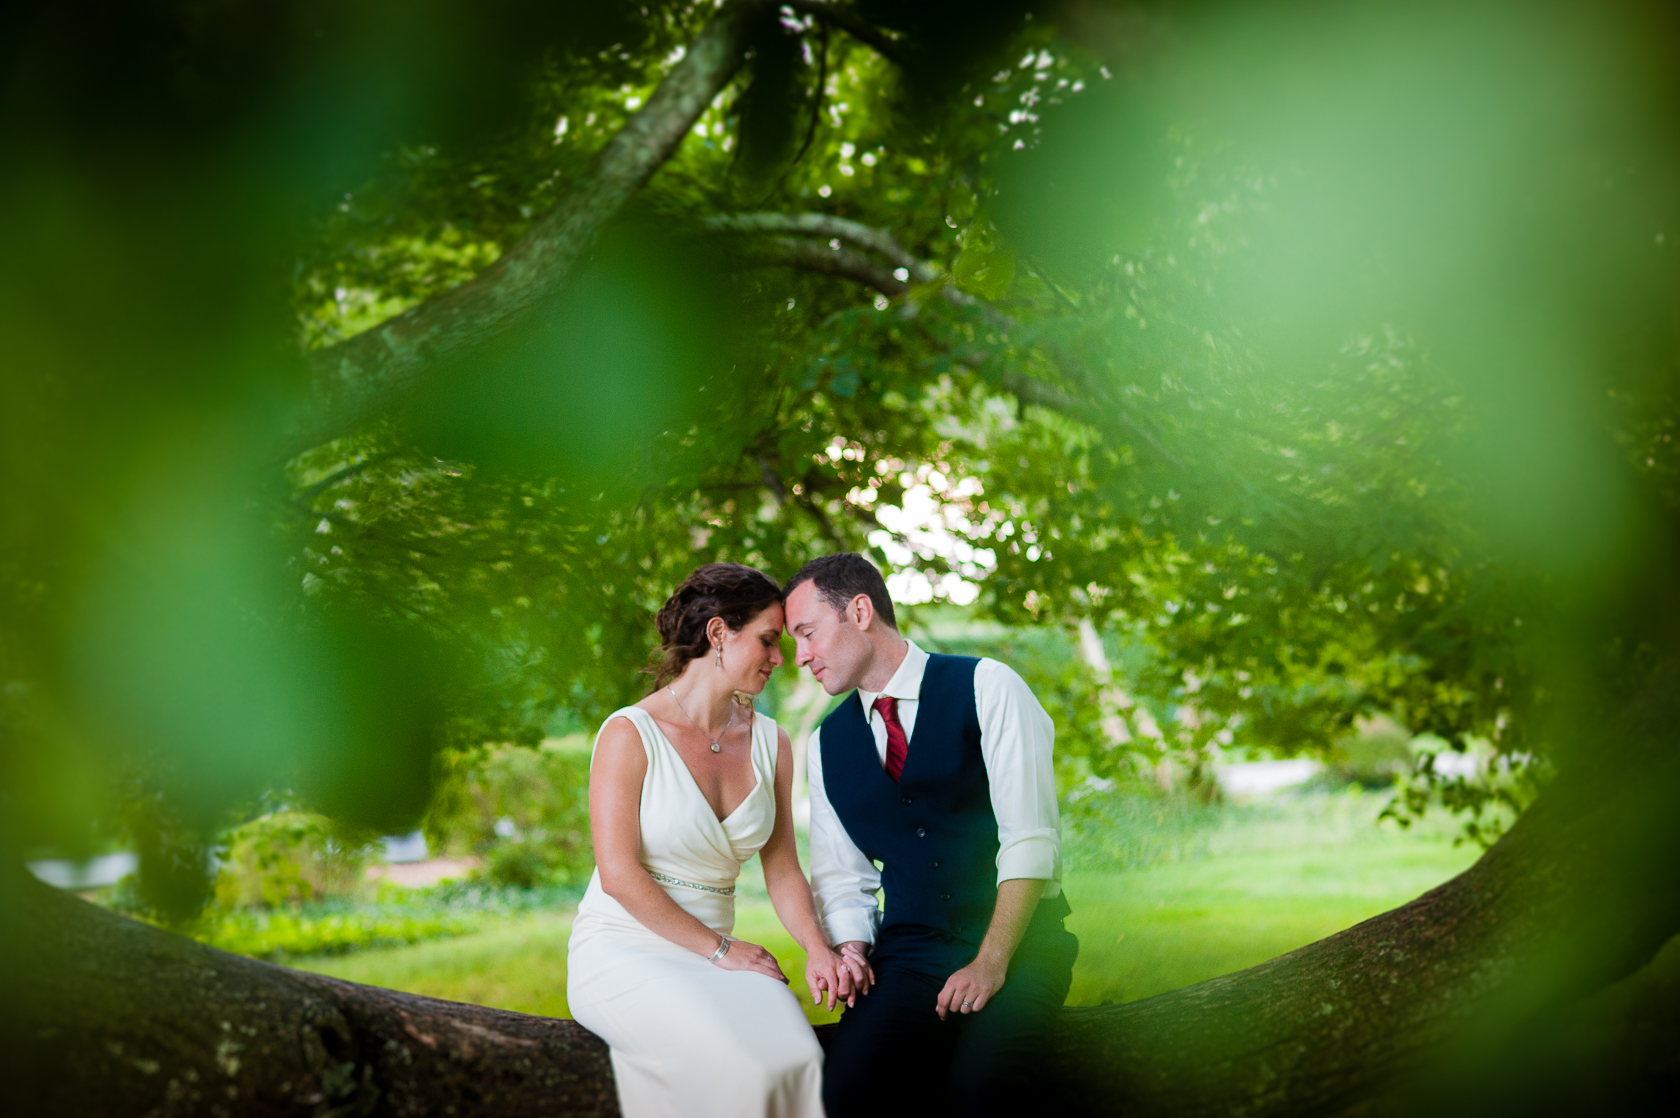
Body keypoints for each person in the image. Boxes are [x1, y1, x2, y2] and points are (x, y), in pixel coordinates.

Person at [567, 562, 870, 1118]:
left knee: (798, 1059)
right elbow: (618, 874)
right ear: (717, 634)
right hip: (625, 948)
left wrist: (817, 948)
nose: (782, 659)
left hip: (721, 958)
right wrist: (721, 949)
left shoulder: (771, 743)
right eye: (768, 640)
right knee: (740, 1070)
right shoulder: (628, 734)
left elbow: (781, 869)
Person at [785, 552, 1079, 1118]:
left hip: (1021, 948)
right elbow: (844, 880)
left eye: (808, 633)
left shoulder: (988, 686)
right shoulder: (825, 746)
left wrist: (991, 961)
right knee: (843, 1087)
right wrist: (850, 951)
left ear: (861, 612)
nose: (801, 657)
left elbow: (1030, 840)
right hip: (909, 957)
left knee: (984, 1087)